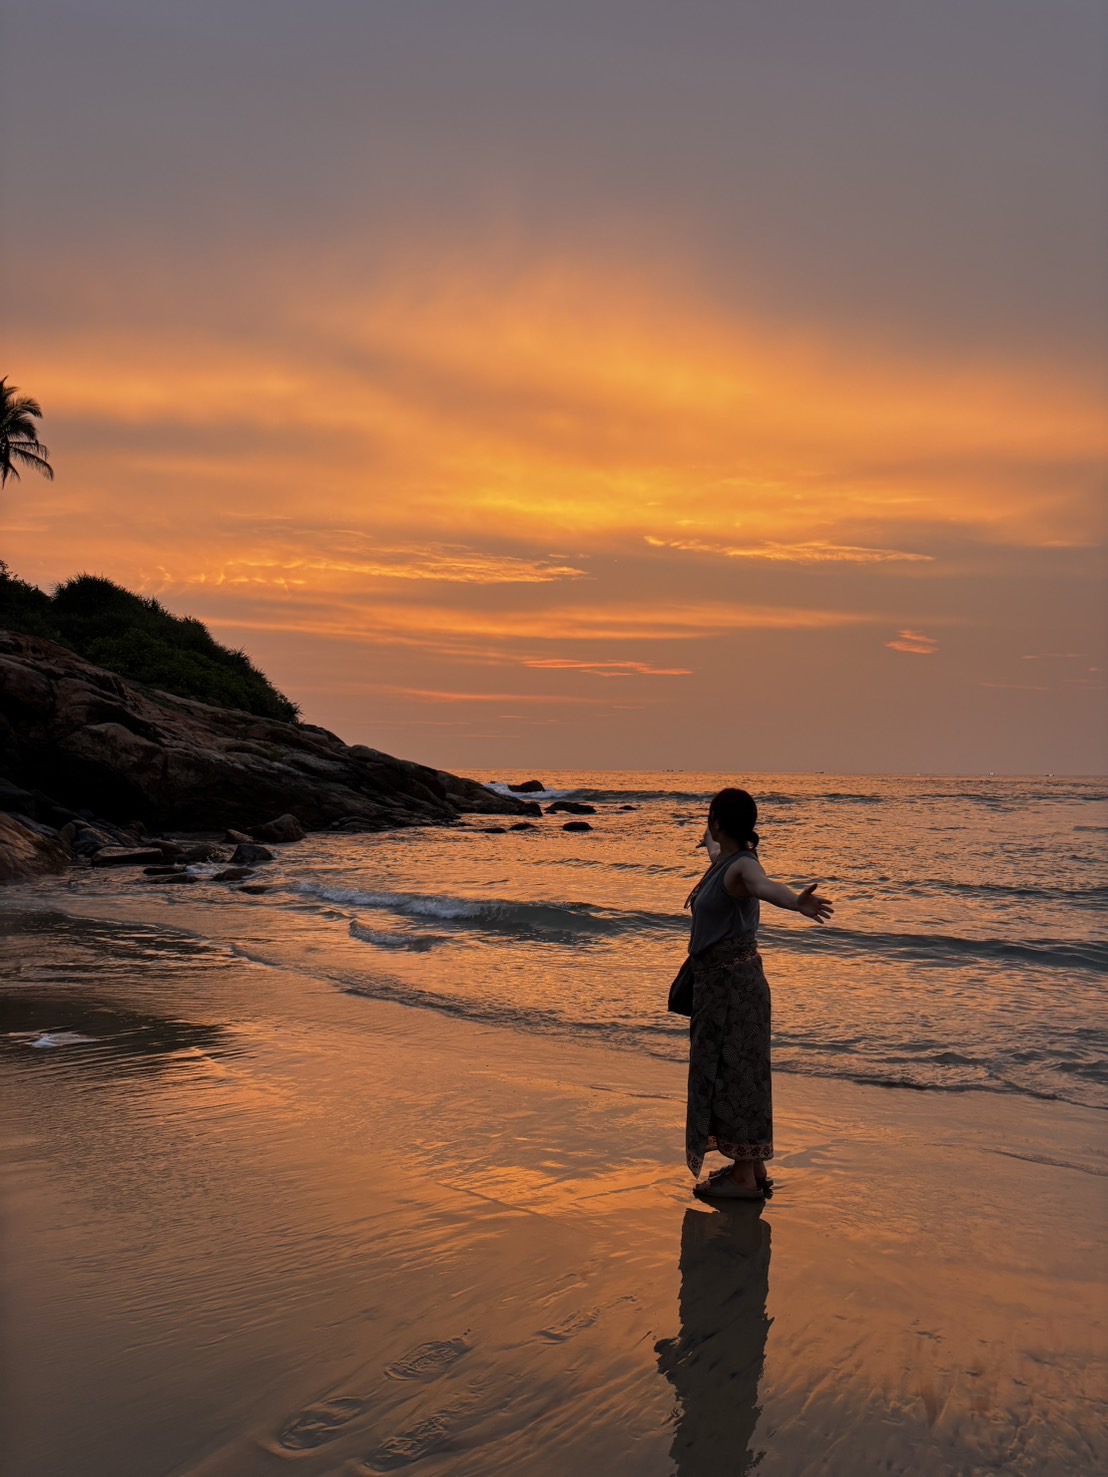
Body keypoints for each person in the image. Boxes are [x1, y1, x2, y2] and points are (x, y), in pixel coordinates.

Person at [685, 787, 833, 1200]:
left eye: (710, 819)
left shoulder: (742, 868)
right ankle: (753, 1166)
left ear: (718, 820)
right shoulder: (725, 860)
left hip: (734, 990)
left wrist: (795, 902)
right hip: (722, 988)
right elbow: (718, 852)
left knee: (737, 1077)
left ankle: (743, 1177)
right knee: (735, 1074)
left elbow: (765, 886)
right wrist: (710, 839)